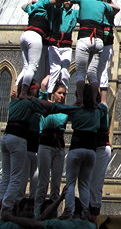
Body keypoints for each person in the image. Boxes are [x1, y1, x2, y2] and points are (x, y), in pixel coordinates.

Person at [56, 0, 120, 104]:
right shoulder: (101, 4)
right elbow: (117, 8)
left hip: (85, 38)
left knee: (81, 72)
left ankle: (80, 99)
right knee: (93, 73)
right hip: (98, 41)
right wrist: (102, 1)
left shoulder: (83, 0)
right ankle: (95, 101)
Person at [0, 83, 53, 218]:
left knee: (5, 176)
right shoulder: (29, 103)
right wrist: (36, 99)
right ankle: (7, 208)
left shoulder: (13, 103)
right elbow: (46, 111)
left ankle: (1, 201)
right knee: (16, 177)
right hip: (18, 139)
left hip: (5, 137)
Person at [52, 84, 101, 220]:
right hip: (91, 151)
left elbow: (57, 107)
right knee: (84, 184)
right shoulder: (98, 111)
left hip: (77, 148)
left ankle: (69, 211)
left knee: (71, 183)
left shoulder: (75, 109)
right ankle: (85, 211)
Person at [34, 82, 68, 220]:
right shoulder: (45, 105)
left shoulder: (65, 110)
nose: (62, 96)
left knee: (56, 184)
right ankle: (37, 213)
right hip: (45, 145)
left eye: (64, 94)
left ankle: (53, 214)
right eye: (60, 93)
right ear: (53, 94)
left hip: (58, 147)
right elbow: (42, 86)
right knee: (42, 182)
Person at [18, 0, 58, 99]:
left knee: (26, 67)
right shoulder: (45, 6)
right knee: (32, 67)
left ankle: (17, 89)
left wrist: (31, 3)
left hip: (24, 35)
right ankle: (24, 92)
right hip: (35, 36)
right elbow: (58, 0)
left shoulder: (34, 8)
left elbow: (23, 6)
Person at [45, 0, 78, 93]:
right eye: (65, 0)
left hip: (66, 45)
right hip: (54, 44)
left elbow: (84, 10)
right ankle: (50, 93)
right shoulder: (57, 10)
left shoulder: (75, 13)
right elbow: (55, 4)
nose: (67, 2)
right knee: (55, 69)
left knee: (64, 71)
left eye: (69, 1)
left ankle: (64, 93)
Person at [89, 100, 111, 217]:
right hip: (90, 148)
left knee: (94, 184)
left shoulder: (101, 109)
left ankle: (93, 211)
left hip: (100, 148)